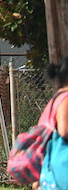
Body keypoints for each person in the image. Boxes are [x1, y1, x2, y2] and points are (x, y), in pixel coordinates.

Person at [42, 58, 68, 189]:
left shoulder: (56, 98)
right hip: (63, 165)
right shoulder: (66, 98)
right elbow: (64, 130)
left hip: (51, 163)